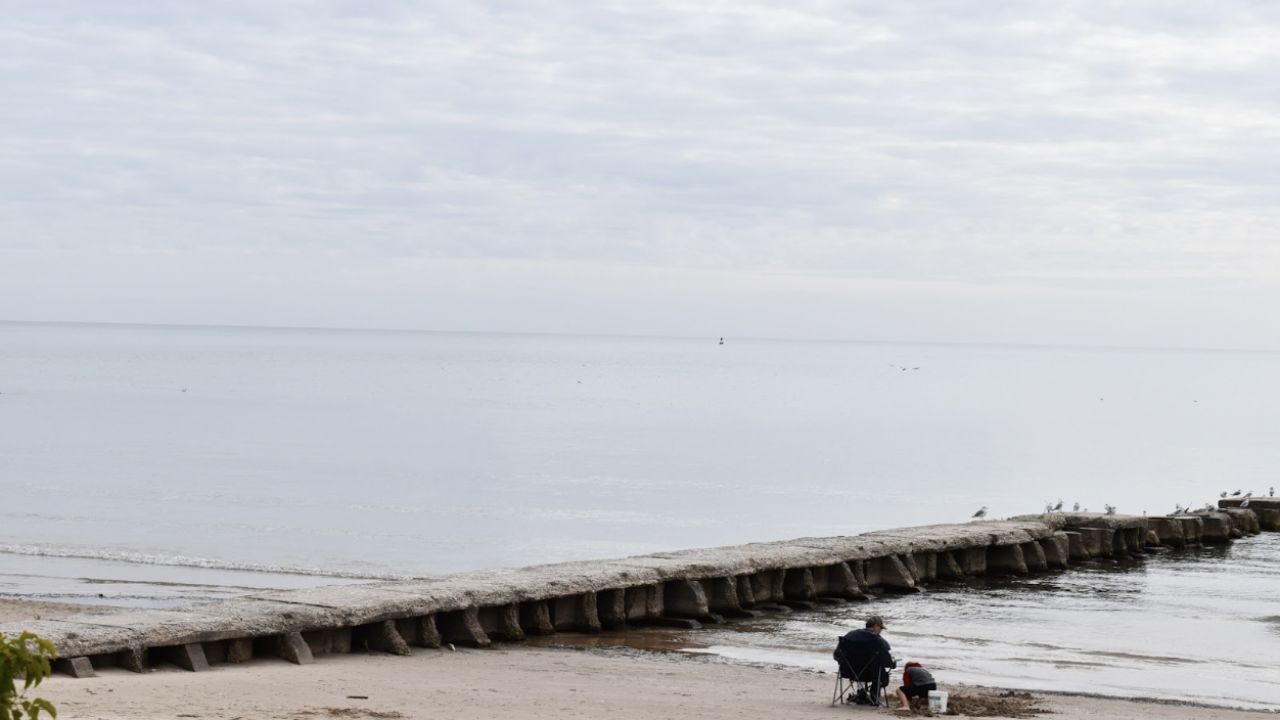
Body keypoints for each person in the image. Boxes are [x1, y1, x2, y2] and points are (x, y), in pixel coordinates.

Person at [833, 616, 896, 706]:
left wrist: (844, 663)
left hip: (849, 672)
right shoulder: (878, 640)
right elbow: (888, 662)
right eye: (880, 628)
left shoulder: (849, 635)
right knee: (881, 673)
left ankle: (861, 694)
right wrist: (893, 664)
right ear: (875, 627)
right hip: (872, 673)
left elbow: (836, 655)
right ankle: (874, 697)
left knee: (862, 668)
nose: (880, 631)